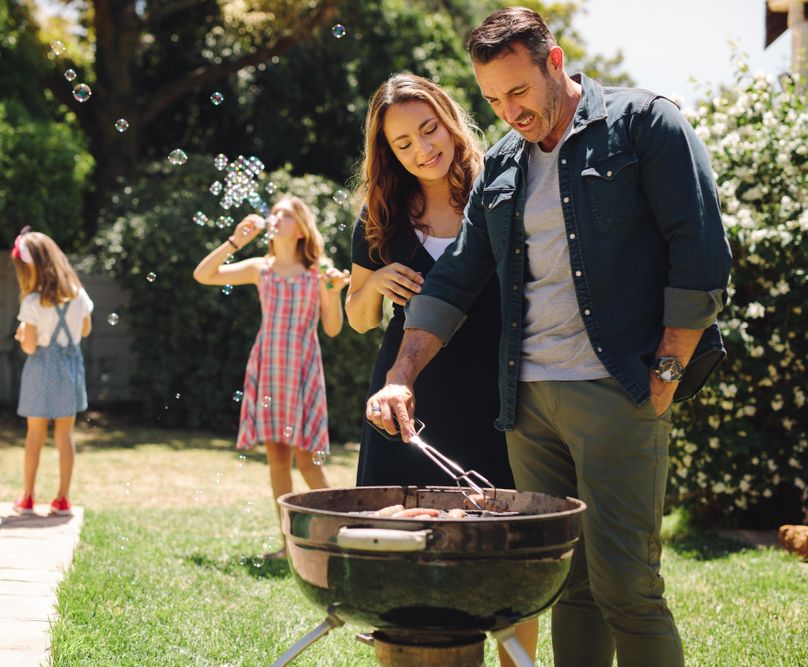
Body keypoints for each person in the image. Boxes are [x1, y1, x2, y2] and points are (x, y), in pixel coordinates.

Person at [366, 7, 731, 667]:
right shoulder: (503, 167)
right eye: (493, 100)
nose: (509, 111)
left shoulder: (644, 125)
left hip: (617, 391)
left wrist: (668, 370)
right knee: (568, 586)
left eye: (518, 91)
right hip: (528, 409)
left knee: (629, 586)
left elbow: (701, 253)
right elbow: (451, 283)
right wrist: (401, 373)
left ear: (554, 63)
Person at [344, 72, 537, 667]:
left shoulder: (503, 188)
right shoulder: (382, 217)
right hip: (409, 401)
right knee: (401, 551)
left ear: (450, 119)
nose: (423, 149)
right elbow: (356, 318)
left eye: (429, 130)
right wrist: (373, 282)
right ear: (388, 154)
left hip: (496, 395)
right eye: (404, 143)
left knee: (506, 554)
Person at [193, 195, 350, 559]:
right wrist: (236, 241)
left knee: (308, 460)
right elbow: (203, 275)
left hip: (303, 369)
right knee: (278, 459)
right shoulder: (260, 268)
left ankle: (336, 537)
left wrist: (334, 294)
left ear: (301, 229)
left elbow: (332, 329)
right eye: (275, 212)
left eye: (287, 214)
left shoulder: (320, 269)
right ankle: (289, 545)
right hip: (270, 367)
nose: (277, 217)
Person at [11, 229, 94, 517]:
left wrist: (22, 333)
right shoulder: (78, 294)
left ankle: (28, 497)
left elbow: (31, 347)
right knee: (65, 435)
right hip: (70, 367)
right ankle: (62, 498)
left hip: (42, 369)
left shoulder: (32, 303)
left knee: (35, 435)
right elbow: (84, 331)